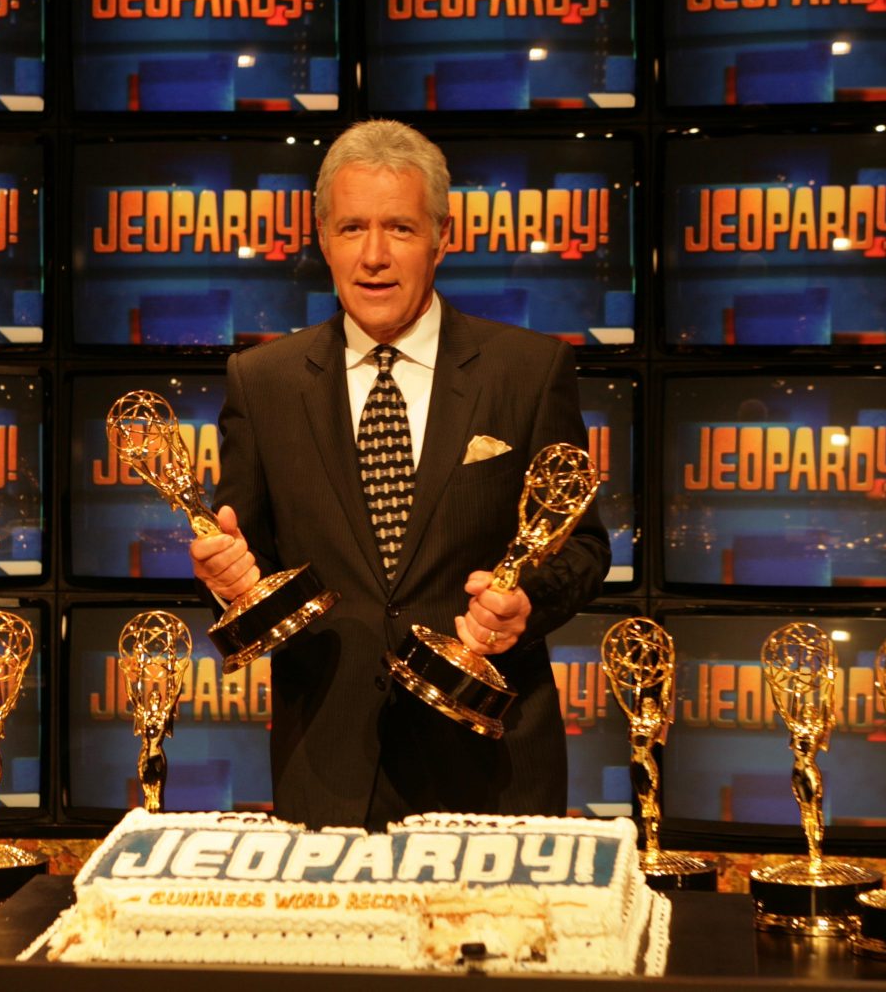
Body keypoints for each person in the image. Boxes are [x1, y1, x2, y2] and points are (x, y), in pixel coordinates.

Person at [191, 119, 609, 830]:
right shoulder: (261, 382)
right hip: (328, 773)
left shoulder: (529, 370)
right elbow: (247, 561)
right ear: (321, 237)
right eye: (352, 228)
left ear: (444, 237)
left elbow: (583, 546)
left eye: (401, 229)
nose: (374, 256)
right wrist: (232, 585)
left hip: (491, 763)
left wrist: (525, 606)